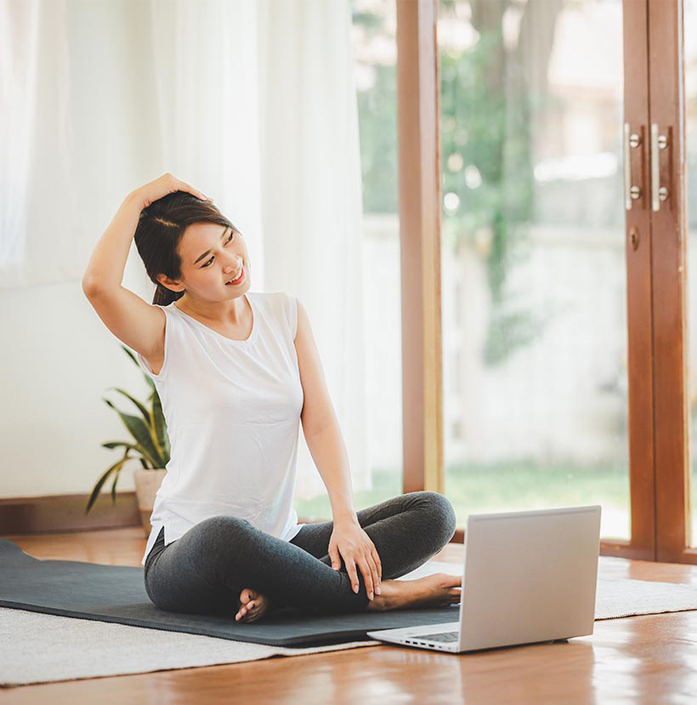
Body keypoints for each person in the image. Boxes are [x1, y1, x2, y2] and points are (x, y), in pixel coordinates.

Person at [82, 173, 461, 623]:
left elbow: (318, 420)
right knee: (226, 536)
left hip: (282, 542)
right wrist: (138, 197)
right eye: (207, 260)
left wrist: (345, 521)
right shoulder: (165, 333)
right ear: (171, 278)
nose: (231, 262)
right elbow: (97, 286)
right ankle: (377, 597)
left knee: (433, 512)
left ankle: (284, 592)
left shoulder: (284, 313)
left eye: (228, 239)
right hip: (190, 552)